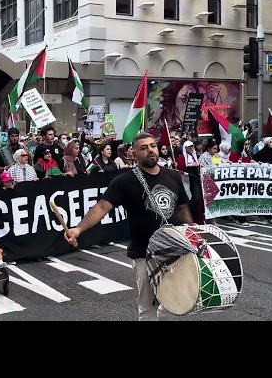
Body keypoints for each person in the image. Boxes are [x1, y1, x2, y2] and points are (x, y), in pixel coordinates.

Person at [64, 132, 194, 321]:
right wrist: (78, 229)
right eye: (143, 148)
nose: (150, 150)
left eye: (152, 146)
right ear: (133, 154)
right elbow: (101, 207)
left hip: (174, 250)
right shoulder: (124, 181)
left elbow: (182, 208)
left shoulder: (172, 176)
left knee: (174, 301)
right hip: (144, 253)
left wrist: (192, 230)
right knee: (148, 306)